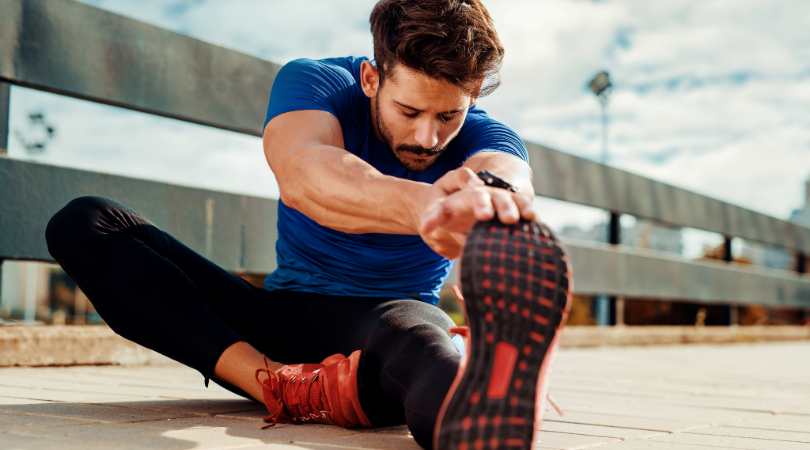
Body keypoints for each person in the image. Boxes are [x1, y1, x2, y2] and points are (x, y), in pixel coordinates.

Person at [45, 1, 571, 449]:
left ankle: (488, 388)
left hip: (389, 322)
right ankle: (278, 384)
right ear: (371, 77)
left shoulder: (490, 137)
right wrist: (428, 205)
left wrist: (491, 203)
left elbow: (507, 179)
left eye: (448, 117)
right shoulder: (318, 82)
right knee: (87, 223)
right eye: (409, 110)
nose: (428, 138)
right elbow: (306, 172)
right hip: (277, 317)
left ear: (473, 94)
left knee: (437, 369)